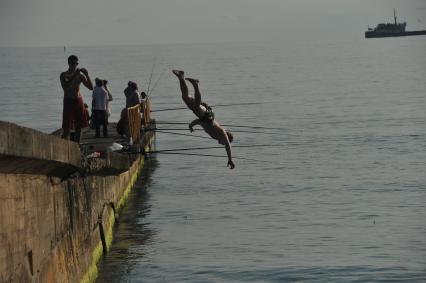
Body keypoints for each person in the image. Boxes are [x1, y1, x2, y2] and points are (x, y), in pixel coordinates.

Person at [172, 70, 235, 169]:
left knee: (185, 97)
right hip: (207, 116)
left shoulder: (215, 135)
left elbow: (199, 122)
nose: (222, 144)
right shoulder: (222, 132)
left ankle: (181, 78)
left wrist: (191, 125)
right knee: (196, 105)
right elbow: (228, 145)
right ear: (226, 137)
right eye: (224, 142)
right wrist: (230, 159)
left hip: (204, 117)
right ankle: (195, 84)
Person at [60, 55, 93, 142]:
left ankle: (77, 147)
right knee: (66, 128)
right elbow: (66, 88)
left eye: (76, 63)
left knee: (79, 127)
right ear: (69, 63)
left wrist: (87, 75)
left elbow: (91, 87)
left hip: (78, 100)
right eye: (73, 63)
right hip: (68, 100)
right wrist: (74, 75)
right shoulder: (63, 75)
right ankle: (64, 147)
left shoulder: (80, 76)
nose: (75, 65)